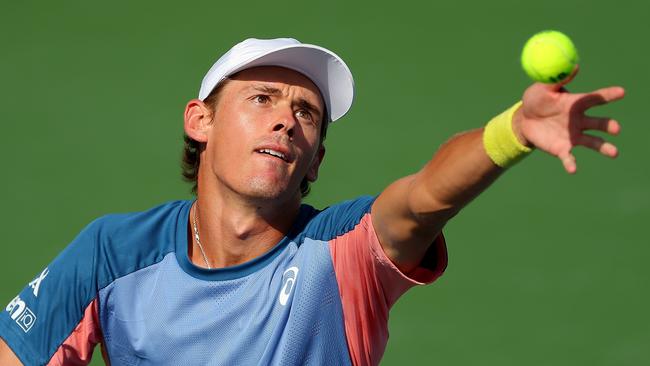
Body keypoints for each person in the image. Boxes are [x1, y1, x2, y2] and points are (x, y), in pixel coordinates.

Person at [0, 37, 624, 366]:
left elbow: (425, 196)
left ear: (317, 158)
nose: (286, 122)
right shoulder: (113, 253)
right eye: (262, 99)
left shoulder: (342, 250)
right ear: (201, 121)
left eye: (306, 113)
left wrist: (510, 132)